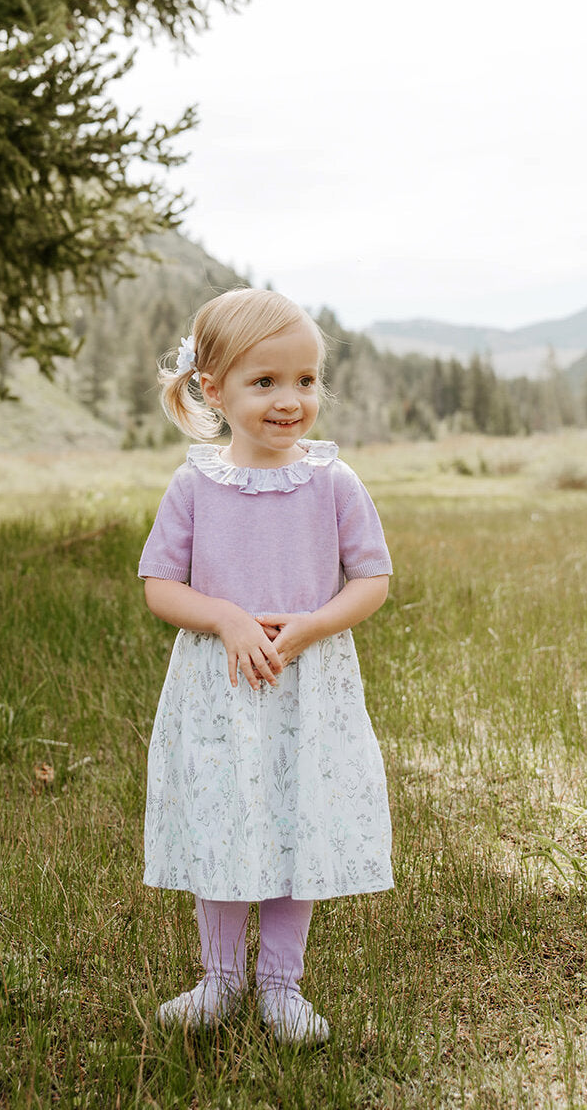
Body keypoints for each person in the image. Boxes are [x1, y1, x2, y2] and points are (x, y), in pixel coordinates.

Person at [138, 288, 394, 1045]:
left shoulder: (333, 483)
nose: (291, 399)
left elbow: (371, 580)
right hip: (220, 688)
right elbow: (160, 586)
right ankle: (219, 977)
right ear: (213, 388)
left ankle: (282, 983)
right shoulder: (194, 487)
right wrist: (224, 615)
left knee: (295, 821)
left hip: (305, 688)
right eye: (266, 381)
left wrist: (314, 624)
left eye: (306, 380)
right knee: (223, 822)